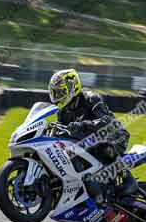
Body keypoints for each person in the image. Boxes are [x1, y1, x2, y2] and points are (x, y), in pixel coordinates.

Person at [48, 68, 138, 202]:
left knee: (103, 146)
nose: (57, 96)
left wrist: (83, 125)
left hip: (116, 136)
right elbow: (61, 131)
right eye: (55, 92)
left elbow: (106, 121)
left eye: (60, 92)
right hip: (89, 141)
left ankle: (128, 180)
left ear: (72, 87)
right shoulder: (63, 111)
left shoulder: (91, 98)